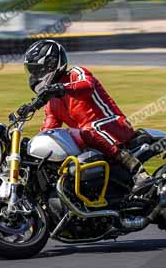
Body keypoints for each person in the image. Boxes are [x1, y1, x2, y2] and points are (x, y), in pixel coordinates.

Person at [23, 39, 152, 194]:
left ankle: (139, 172)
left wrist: (62, 88)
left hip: (114, 126)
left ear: (51, 64)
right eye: (32, 71)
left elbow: (87, 87)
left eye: (37, 70)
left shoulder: (76, 73)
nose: (34, 75)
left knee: (88, 130)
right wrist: (33, 146)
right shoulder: (53, 102)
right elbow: (48, 129)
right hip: (90, 138)